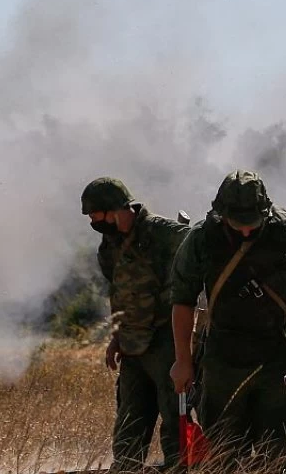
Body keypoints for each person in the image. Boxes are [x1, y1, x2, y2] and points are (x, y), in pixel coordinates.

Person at [169, 169, 286, 463]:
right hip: (222, 361)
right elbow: (182, 300)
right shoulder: (201, 239)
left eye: (252, 224)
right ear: (221, 213)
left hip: (275, 359)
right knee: (223, 455)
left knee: (277, 456)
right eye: (237, 223)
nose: (245, 232)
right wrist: (183, 360)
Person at [81, 176, 190, 471]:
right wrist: (116, 338)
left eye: (96, 215)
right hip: (132, 346)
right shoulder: (109, 248)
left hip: (165, 341)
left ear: (115, 209)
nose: (93, 222)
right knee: (130, 422)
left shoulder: (164, 233)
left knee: (174, 419)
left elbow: (196, 264)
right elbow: (118, 295)